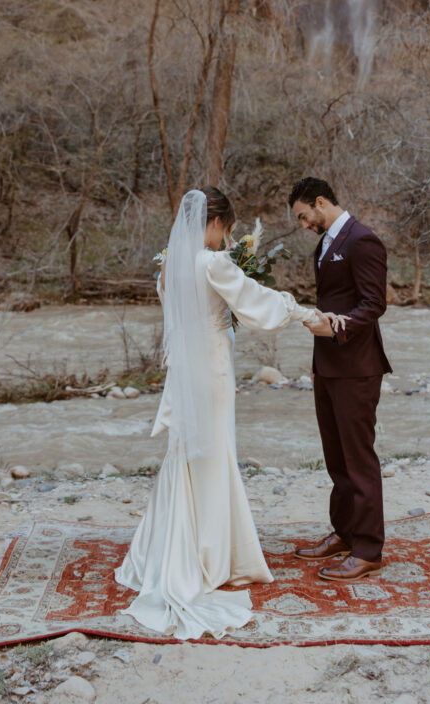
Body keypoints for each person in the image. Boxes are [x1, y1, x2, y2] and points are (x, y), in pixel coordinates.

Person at [114, 186, 320, 640]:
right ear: (215, 223)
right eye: (226, 228)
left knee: (189, 451)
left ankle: (164, 550)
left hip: (186, 372)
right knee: (215, 452)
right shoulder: (212, 263)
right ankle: (210, 556)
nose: (227, 236)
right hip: (211, 370)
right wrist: (304, 312)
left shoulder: (170, 265)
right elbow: (255, 301)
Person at [289, 176, 392, 581]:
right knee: (336, 459)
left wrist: (337, 329)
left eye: (303, 216)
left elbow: (374, 304)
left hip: (357, 367)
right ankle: (345, 533)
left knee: (358, 459)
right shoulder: (326, 244)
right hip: (328, 367)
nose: (302, 225)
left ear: (319, 202)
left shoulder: (362, 240)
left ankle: (368, 550)